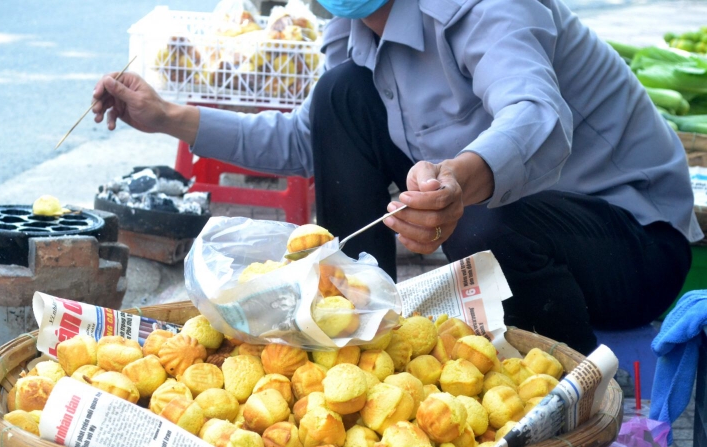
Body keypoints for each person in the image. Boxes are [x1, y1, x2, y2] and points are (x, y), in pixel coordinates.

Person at [91, 0, 702, 354]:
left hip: (633, 245)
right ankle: (358, 328)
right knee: (341, 95)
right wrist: (167, 117)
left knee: (480, 228)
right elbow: (308, 139)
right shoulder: (353, 25)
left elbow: (536, 115)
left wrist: (459, 178)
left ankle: (566, 394)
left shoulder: (489, 8)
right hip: (518, 229)